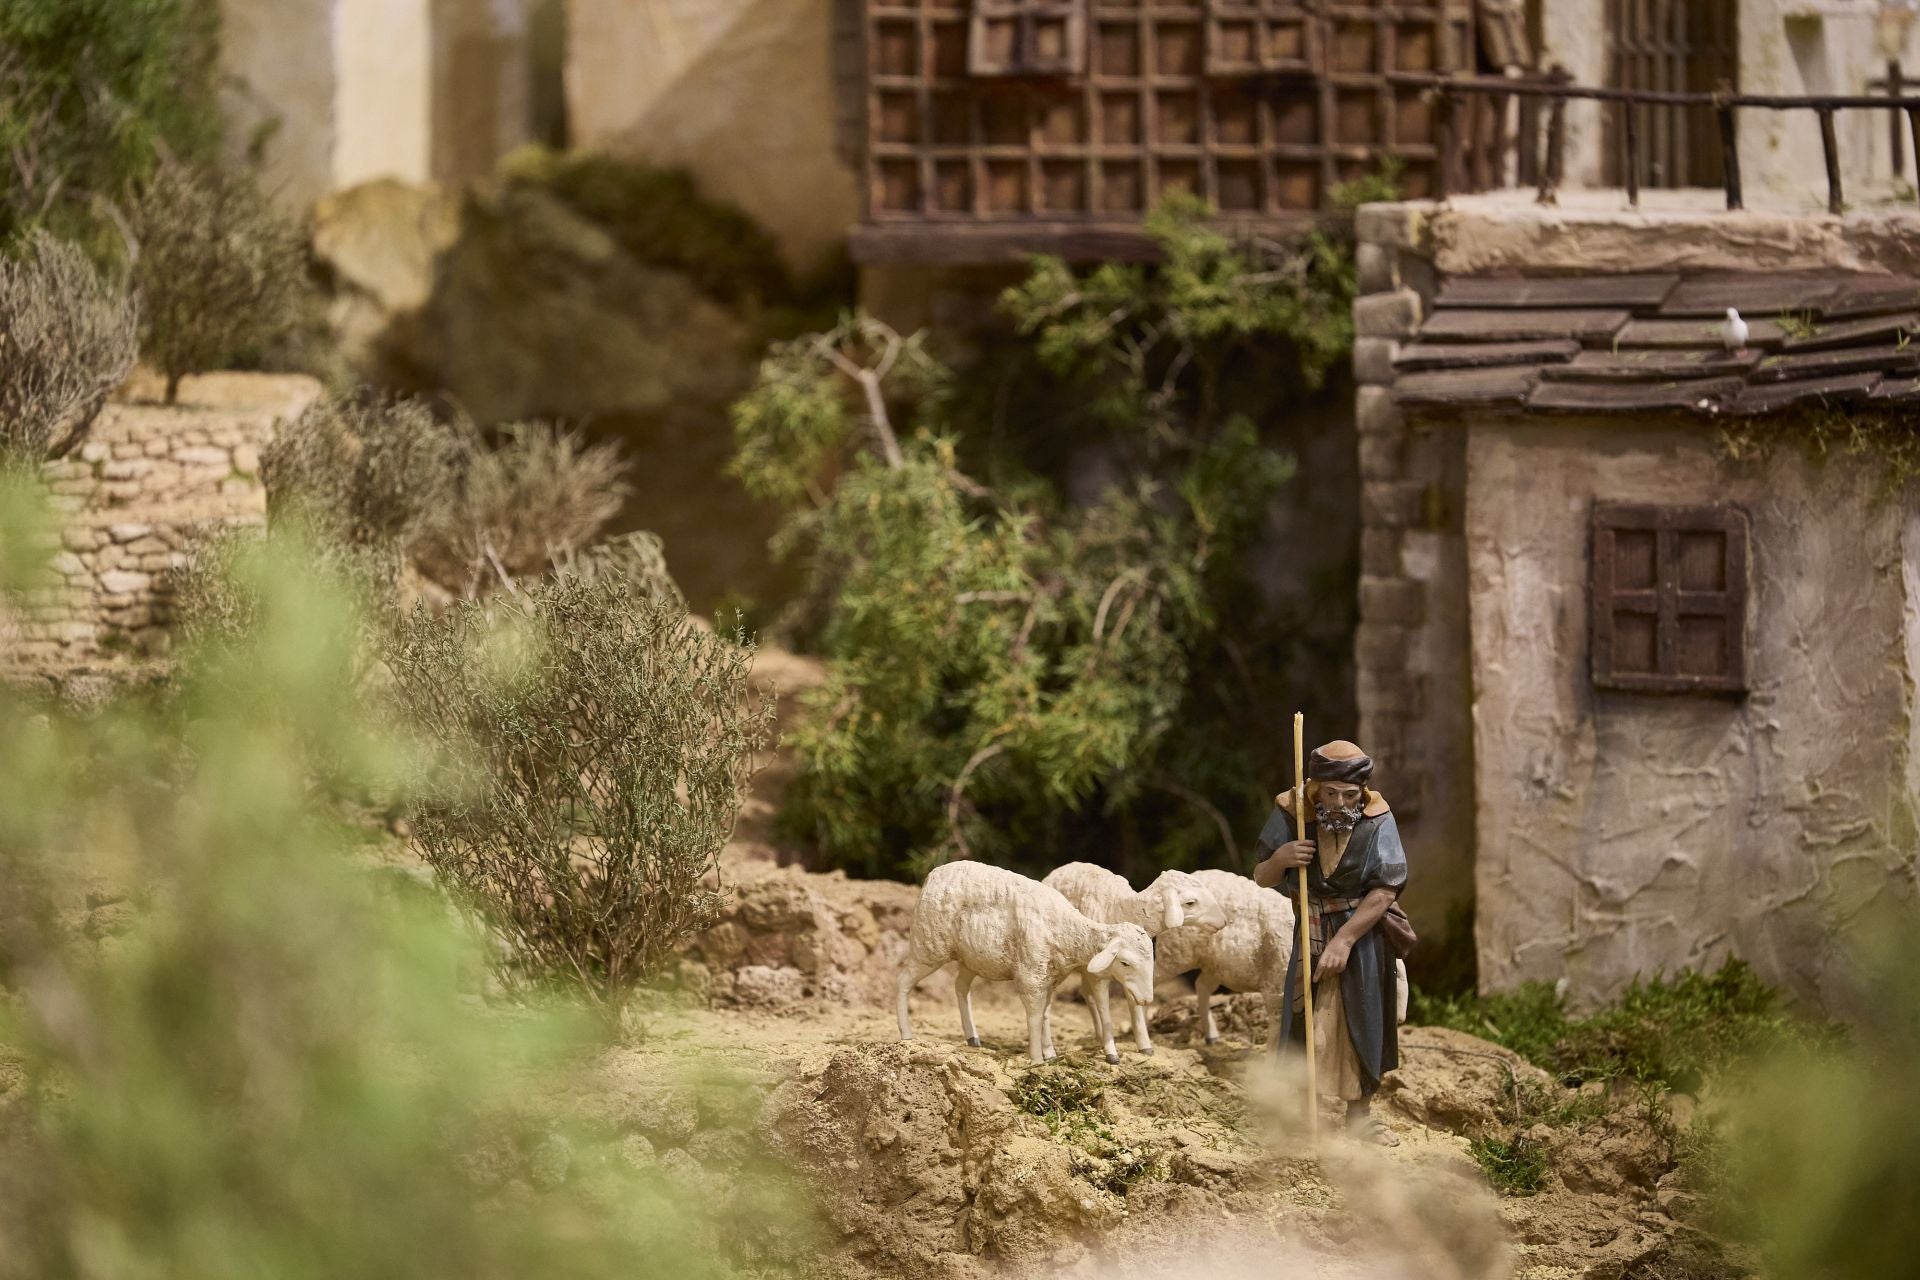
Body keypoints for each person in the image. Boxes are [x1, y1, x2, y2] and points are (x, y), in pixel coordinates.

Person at [1252, 739, 1408, 1144]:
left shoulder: (1377, 819)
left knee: (1363, 1016)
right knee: (1303, 1017)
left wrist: (1345, 940)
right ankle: (1302, 1116)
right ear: (1315, 789)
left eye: (1349, 795)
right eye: (1330, 793)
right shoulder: (1292, 813)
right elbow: (1261, 876)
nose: (1339, 803)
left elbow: (1385, 890)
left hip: (1363, 936)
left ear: (1362, 793)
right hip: (1311, 927)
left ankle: (1360, 1116)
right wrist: (1281, 859)